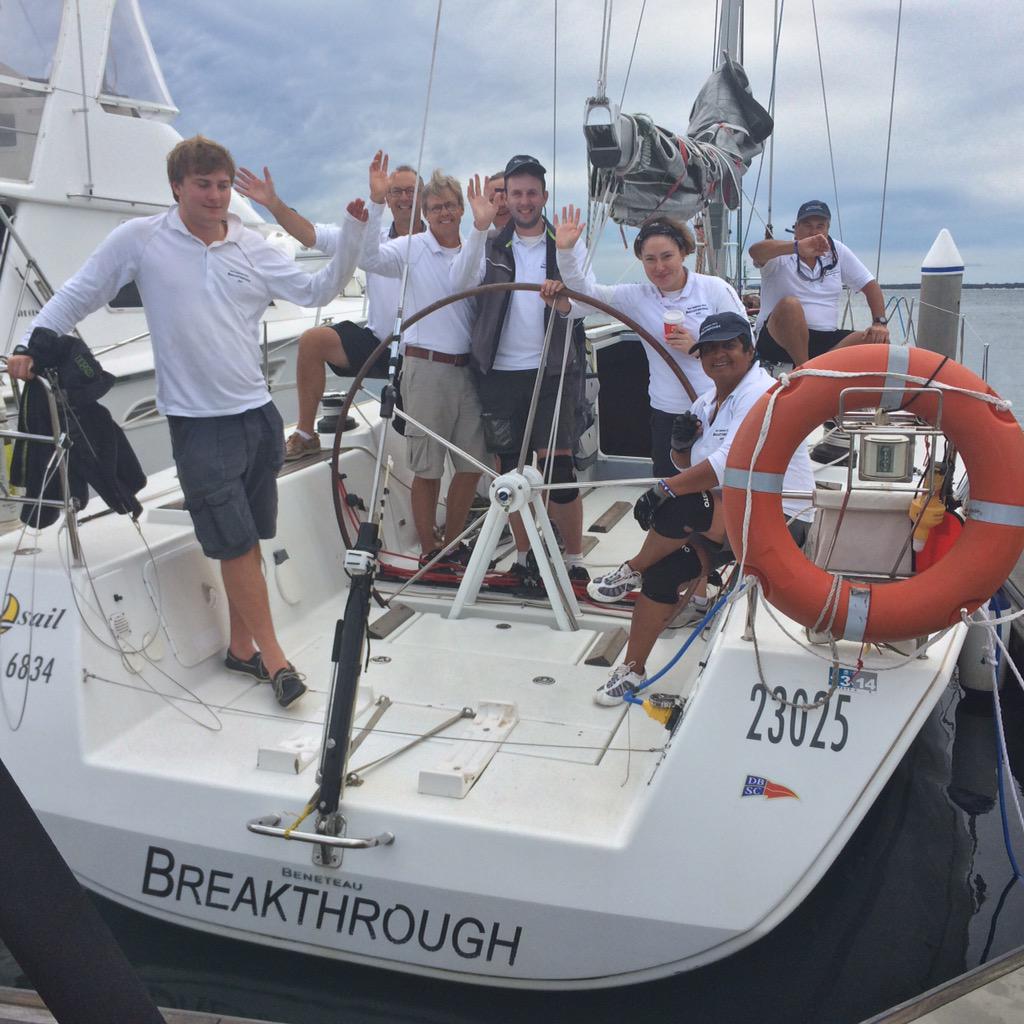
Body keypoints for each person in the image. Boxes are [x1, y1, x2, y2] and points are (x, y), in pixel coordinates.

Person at [7, 136, 366, 709]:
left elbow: (318, 289)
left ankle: (240, 648)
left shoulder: (251, 246)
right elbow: (79, 293)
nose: (216, 196)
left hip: (257, 414)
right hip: (198, 422)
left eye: (223, 186)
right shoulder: (142, 240)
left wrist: (352, 235)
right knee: (234, 540)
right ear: (177, 187)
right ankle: (274, 658)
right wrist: (30, 340)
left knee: (249, 534)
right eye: (203, 185)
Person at [584, 312, 815, 705]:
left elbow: (729, 463)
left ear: (749, 348)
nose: (717, 355)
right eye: (709, 349)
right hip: (729, 515)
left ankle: (630, 569)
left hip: (779, 517)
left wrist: (663, 489)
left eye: (728, 345)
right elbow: (690, 468)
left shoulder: (763, 395)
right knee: (666, 570)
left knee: (680, 502)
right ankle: (632, 668)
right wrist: (679, 448)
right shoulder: (708, 400)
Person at [359, 150, 496, 564]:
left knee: (471, 464)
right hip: (425, 369)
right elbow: (368, 258)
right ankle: (430, 547)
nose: (444, 213)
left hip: (465, 372)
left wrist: (480, 230)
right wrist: (375, 204)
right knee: (428, 468)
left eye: (451, 205)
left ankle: (453, 541)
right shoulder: (410, 247)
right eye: (435, 207)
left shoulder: (477, 248)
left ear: (461, 208)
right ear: (425, 211)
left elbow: (462, 280)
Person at [234, 162, 425, 460]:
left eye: (411, 191)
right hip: (380, 344)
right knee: (313, 340)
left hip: (423, 351)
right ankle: (306, 434)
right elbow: (310, 235)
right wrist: (273, 204)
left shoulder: (442, 240)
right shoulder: (371, 239)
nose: (404, 198)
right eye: (396, 191)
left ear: (423, 197)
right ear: (386, 198)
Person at [554, 205, 745, 479]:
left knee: (719, 492)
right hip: (667, 415)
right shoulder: (637, 297)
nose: (660, 267)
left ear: (683, 252)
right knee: (669, 496)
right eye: (650, 259)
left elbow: (744, 345)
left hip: (718, 411)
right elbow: (584, 295)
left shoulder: (714, 289)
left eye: (667, 256)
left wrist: (699, 348)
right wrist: (566, 252)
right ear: (641, 261)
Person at [470, 155, 591, 583]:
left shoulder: (567, 245)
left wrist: (563, 295)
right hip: (499, 374)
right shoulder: (488, 246)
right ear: (507, 198)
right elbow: (461, 284)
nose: (523, 201)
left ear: (544, 196)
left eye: (531, 193)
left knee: (559, 470)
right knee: (510, 473)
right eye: (515, 193)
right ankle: (524, 557)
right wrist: (478, 226)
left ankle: (573, 560)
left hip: (553, 372)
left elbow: (582, 306)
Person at [749, 200, 890, 367]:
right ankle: (805, 371)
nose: (813, 232)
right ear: (796, 228)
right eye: (807, 225)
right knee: (790, 305)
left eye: (820, 226)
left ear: (827, 229)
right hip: (778, 339)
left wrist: (879, 323)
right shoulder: (781, 251)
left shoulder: (837, 251)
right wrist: (797, 247)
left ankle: (818, 368)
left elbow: (870, 285)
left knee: (878, 342)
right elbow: (755, 252)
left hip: (826, 337)